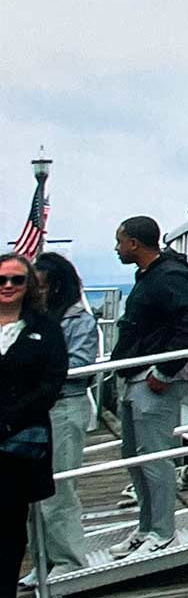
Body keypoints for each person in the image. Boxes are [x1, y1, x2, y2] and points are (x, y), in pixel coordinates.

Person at [108, 216, 188, 560]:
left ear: (134, 243)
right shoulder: (150, 276)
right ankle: (146, 527)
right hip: (134, 377)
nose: (117, 248)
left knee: (154, 459)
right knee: (134, 458)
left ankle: (163, 533)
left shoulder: (170, 275)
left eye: (120, 241)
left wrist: (164, 371)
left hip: (154, 382)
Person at [21, 254, 97, 583]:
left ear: (55, 285)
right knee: (30, 490)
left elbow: (79, 366)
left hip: (65, 407)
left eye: (39, 284)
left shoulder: (78, 320)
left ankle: (69, 559)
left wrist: (35, 372)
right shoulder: (32, 320)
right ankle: (43, 560)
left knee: (59, 489)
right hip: (35, 410)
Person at [0, 254, 67, 598]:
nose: (8, 286)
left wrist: (8, 421)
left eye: (17, 280)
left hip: (19, 446)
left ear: (29, 286)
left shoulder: (45, 328)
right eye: (2, 280)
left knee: (10, 529)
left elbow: (51, 383)